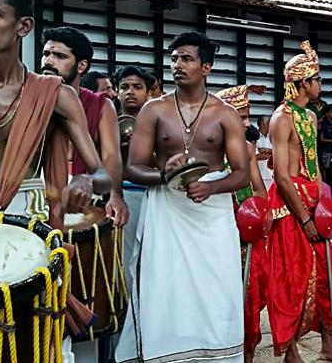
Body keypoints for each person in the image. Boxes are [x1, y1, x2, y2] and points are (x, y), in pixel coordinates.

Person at [0, 0, 113, 360]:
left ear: (24, 25)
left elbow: (103, 174)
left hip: (27, 225)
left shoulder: (55, 95)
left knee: (29, 341)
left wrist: (82, 178)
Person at [115, 31, 250, 363]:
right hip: (166, 209)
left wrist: (210, 187)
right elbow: (133, 167)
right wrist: (164, 175)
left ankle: (216, 354)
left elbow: (242, 173)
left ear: (206, 67)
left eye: (186, 58)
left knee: (217, 286)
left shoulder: (224, 114)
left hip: (212, 213)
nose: (177, 65)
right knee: (164, 286)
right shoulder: (154, 110)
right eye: (174, 58)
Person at [266, 41, 332, 362]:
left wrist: (323, 205)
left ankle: (328, 344)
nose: (320, 85)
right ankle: (291, 351)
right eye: (317, 80)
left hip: (314, 199)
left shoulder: (310, 116)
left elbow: (314, 168)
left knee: (326, 274)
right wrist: (305, 218)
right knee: (291, 277)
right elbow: (282, 176)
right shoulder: (281, 119)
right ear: (303, 83)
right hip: (290, 205)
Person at [40, 26, 125, 218]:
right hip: (35, 202)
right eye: (46, 54)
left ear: (81, 66)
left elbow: (111, 156)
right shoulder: (27, 99)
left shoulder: (100, 105)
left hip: (83, 202)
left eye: (60, 56)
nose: (49, 61)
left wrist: (115, 195)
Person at [217, 84, 270, 363]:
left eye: (248, 115)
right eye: (241, 115)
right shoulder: (210, 149)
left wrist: (261, 213)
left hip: (248, 231)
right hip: (221, 231)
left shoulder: (248, 147)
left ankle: (248, 352)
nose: (247, 122)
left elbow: (258, 187)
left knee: (251, 293)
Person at [112, 64, 155, 316]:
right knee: (122, 263)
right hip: (122, 197)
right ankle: (126, 316)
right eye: (124, 87)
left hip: (152, 197)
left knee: (150, 261)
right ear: (117, 92)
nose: (130, 92)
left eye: (137, 87)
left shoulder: (159, 122)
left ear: (148, 92)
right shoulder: (106, 123)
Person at [319, 105, 332, 177]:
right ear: (326, 114)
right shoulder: (324, 124)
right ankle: (325, 183)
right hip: (326, 149)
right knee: (325, 167)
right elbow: (321, 139)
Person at [256, 114, 274, 191]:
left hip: (272, 175)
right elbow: (255, 156)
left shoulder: (273, 136)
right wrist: (273, 154)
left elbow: (279, 152)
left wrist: (265, 150)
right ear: (263, 124)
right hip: (258, 175)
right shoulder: (254, 136)